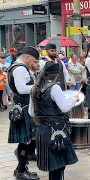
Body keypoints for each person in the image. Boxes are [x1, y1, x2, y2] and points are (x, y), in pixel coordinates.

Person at [28, 62, 79, 180]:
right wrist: (74, 99)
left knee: (53, 165)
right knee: (58, 166)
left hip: (42, 130)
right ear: (56, 75)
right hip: (56, 130)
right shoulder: (54, 87)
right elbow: (64, 108)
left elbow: (31, 112)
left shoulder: (35, 87)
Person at [7, 47, 40, 180]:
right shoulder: (20, 68)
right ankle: (21, 171)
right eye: (33, 60)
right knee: (25, 141)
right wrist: (38, 86)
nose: (34, 62)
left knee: (31, 138)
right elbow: (21, 89)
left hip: (24, 106)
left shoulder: (17, 66)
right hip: (24, 107)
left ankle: (20, 168)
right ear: (27, 57)